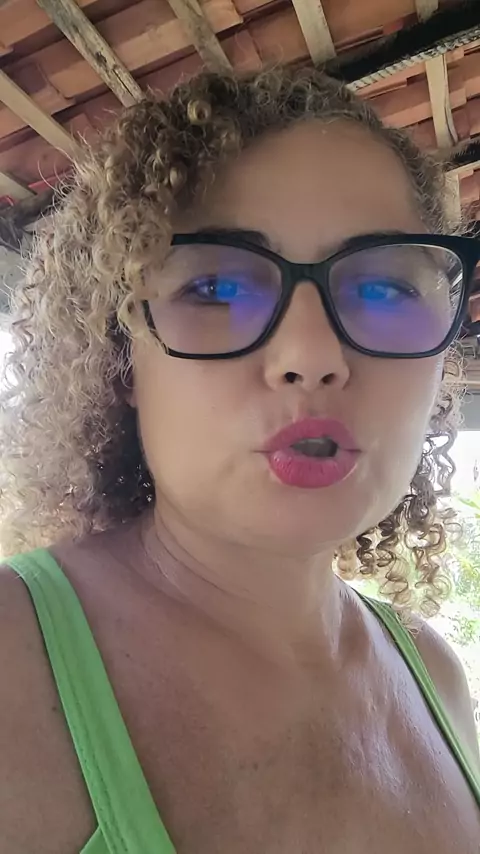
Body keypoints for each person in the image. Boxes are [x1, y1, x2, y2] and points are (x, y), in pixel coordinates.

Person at [0, 66, 479, 854]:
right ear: (123, 358)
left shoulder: (437, 675)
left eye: (384, 289)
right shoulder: (12, 661)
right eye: (217, 288)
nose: (311, 357)